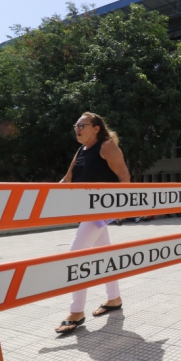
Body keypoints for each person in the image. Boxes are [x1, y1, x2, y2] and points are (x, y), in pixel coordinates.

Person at [55, 112, 131, 334]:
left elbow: (124, 177)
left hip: (101, 209)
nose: (77, 128)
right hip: (87, 209)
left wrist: (123, 208)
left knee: (76, 255)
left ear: (96, 128)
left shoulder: (107, 147)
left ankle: (76, 311)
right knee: (104, 254)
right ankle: (114, 298)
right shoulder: (81, 151)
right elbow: (67, 179)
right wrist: (44, 198)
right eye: (76, 125)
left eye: (82, 125)